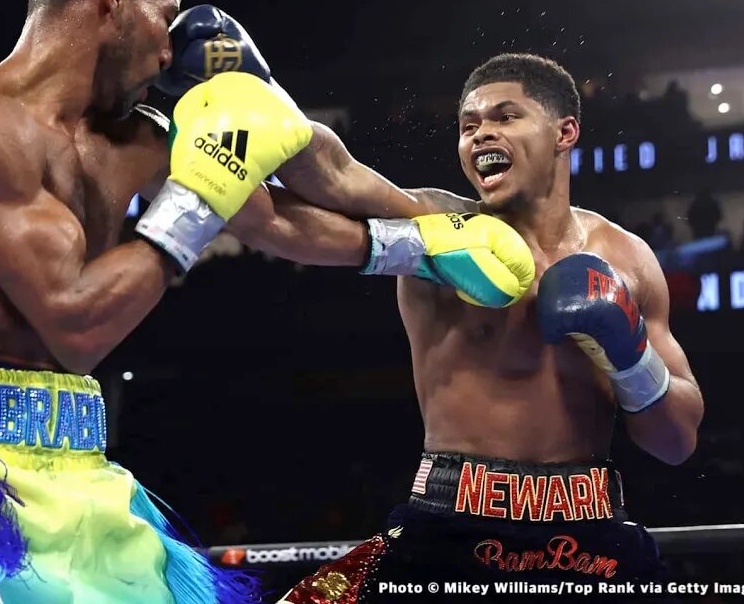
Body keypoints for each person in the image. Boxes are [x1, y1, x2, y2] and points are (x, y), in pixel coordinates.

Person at [0, 0, 534, 604]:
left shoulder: (140, 134)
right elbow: (77, 322)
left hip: (83, 469)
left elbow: (289, 200)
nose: (168, 49)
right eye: (165, 14)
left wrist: (428, 240)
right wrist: (198, 190)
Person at [268, 53, 706, 603]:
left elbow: (677, 441)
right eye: (468, 125)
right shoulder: (439, 227)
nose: (481, 135)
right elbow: (335, 173)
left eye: (505, 117)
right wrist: (258, 93)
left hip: (590, 535)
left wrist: (629, 354)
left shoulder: (628, 258)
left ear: (565, 131)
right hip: (450, 526)